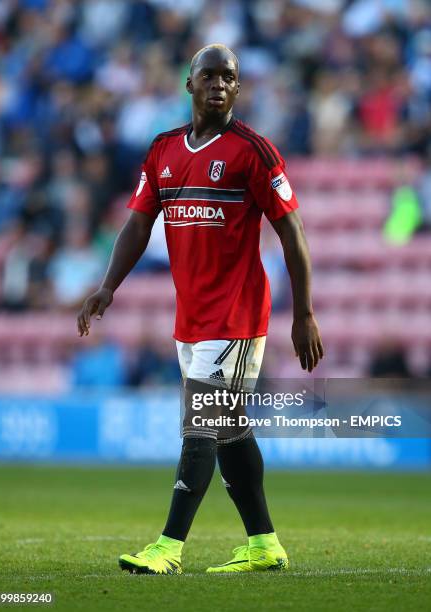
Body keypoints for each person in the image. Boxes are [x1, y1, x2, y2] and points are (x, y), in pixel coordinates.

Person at [77, 44, 323, 575]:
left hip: (235, 318)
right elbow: (140, 223)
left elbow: (292, 232)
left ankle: (169, 546)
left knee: (201, 425)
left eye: (228, 77)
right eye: (208, 75)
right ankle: (264, 544)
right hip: (190, 319)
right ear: (189, 84)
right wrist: (107, 287)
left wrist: (303, 314)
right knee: (230, 432)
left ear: (237, 88)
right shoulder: (162, 149)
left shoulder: (254, 151)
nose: (218, 84)